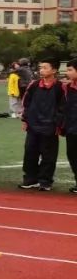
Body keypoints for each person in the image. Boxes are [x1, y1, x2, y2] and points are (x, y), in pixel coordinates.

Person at [19, 59, 64, 191]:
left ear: (54, 70)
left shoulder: (60, 87)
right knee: (30, 152)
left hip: (50, 127)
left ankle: (45, 181)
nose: (41, 70)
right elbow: (26, 103)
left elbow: (62, 107)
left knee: (48, 155)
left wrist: (57, 123)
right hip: (33, 125)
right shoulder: (34, 85)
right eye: (40, 67)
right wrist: (25, 120)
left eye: (45, 67)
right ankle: (30, 179)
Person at [62, 61, 77, 194]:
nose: (67, 72)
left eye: (70, 70)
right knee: (72, 155)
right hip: (71, 128)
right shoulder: (67, 87)